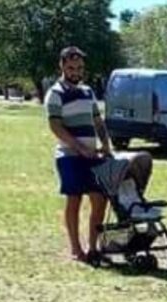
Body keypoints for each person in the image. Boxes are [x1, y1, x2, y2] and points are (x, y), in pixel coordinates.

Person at [44, 46, 111, 264]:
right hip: (69, 155)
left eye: (79, 68)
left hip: (92, 156)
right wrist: (79, 148)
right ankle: (76, 249)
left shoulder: (88, 91)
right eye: (71, 67)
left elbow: (98, 122)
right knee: (74, 200)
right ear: (62, 66)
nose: (76, 72)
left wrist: (106, 144)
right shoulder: (55, 93)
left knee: (99, 200)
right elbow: (56, 127)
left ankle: (94, 247)